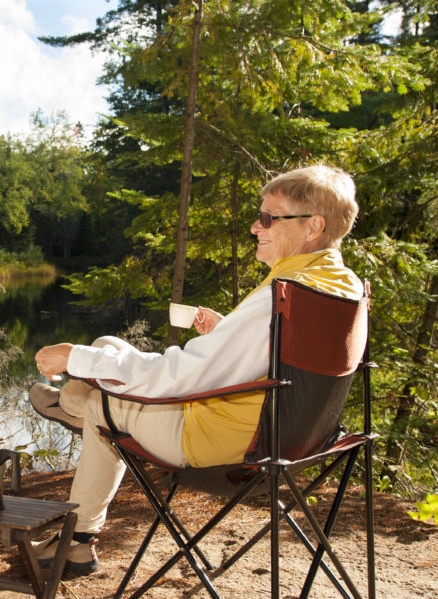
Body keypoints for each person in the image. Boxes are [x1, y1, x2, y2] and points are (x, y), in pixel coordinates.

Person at [28, 165, 364, 576]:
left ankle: (77, 536)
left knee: (100, 399)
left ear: (313, 226)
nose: (257, 228)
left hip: (225, 444)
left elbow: (180, 377)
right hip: (297, 443)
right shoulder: (342, 287)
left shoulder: (284, 294)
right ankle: (74, 406)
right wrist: (228, 334)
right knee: (108, 348)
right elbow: (284, 362)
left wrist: (74, 357)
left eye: (269, 218)